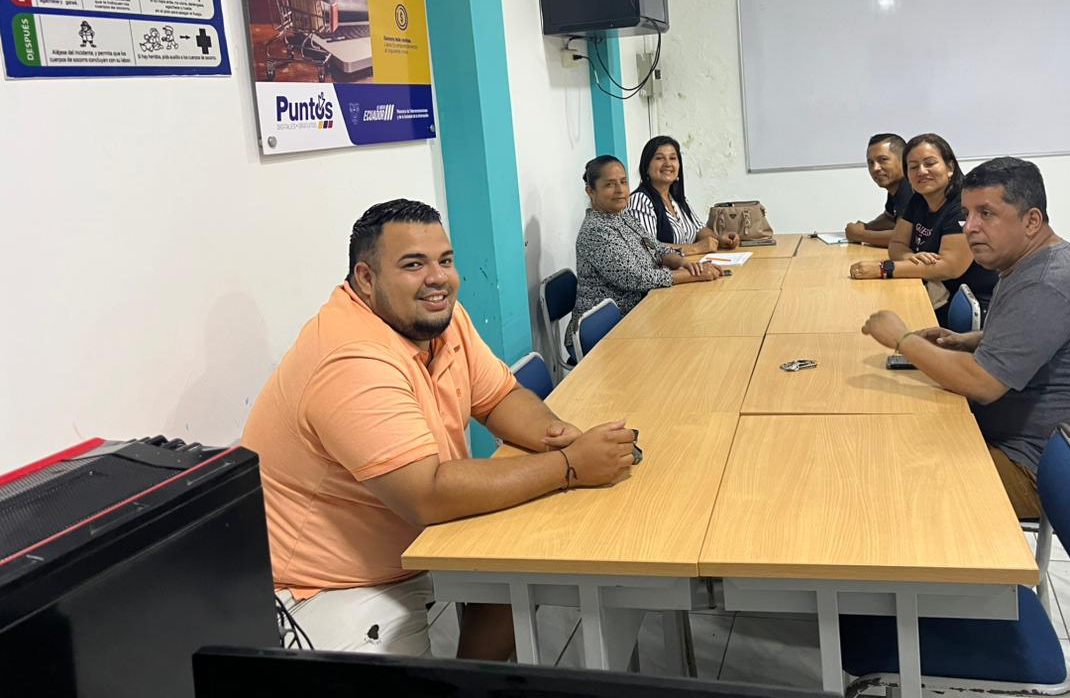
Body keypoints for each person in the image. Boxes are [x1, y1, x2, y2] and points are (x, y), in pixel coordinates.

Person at [242, 200, 639, 659]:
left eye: (445, 261)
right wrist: (569, 466)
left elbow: (499, 397)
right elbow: (426, 494)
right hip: (328, 585)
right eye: (414, 265)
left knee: (521, 571)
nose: (438, 278)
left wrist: (558, 435)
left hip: (419, 540)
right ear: (366, 278)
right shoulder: (350, 356)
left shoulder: (437, 319)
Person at [860, 157, 1070, 519]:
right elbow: (1037, 335)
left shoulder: (1046, 282)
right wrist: (970, 340)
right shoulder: (1029, 262)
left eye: (986, 214)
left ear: (1032, 221)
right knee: (887, 440)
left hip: (1043, 471)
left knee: (891, 482)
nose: (969, 227)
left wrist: (902, 338)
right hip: (1023, 444)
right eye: (967, 214)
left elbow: (982, 384)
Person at [567, 154, 721, 355]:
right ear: (591, 191)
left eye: (623, 182)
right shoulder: (596, 231)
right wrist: (693, 275)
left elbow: (657, 248)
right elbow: (635, 278)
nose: (620, 190)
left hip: (639, 315)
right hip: (604, 331)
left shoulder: (622, 216)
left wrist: (681, 262)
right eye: (609, 185)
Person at [849, 132, 998, 322]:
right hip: (938, 294)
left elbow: (950, 267)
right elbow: (897, 244)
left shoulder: (963, 204)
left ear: (950, 167)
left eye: (930, 163)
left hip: (973, 306)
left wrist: (883, 269)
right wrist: (909, 257)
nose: (921, 171)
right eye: (913, 167)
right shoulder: (918, 199)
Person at [626, 135, 739, 255]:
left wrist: (718, 239)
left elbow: (699, 229)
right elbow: (648, 247)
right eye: (659, 158)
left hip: (692, 264)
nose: (668, 163)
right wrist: (696, 248)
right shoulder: (640, 200)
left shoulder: (677, 199)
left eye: (672, 158)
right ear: (646, 167)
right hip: (667, 268)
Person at [844, 132, 912, 247]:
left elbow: (904, 237)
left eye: (883, 160)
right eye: (871, 163)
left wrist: (860, 235)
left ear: (904, 160)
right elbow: (889, 219)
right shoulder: (896, 187)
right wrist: (866, 227)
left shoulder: (910, 185)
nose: (875, 168)